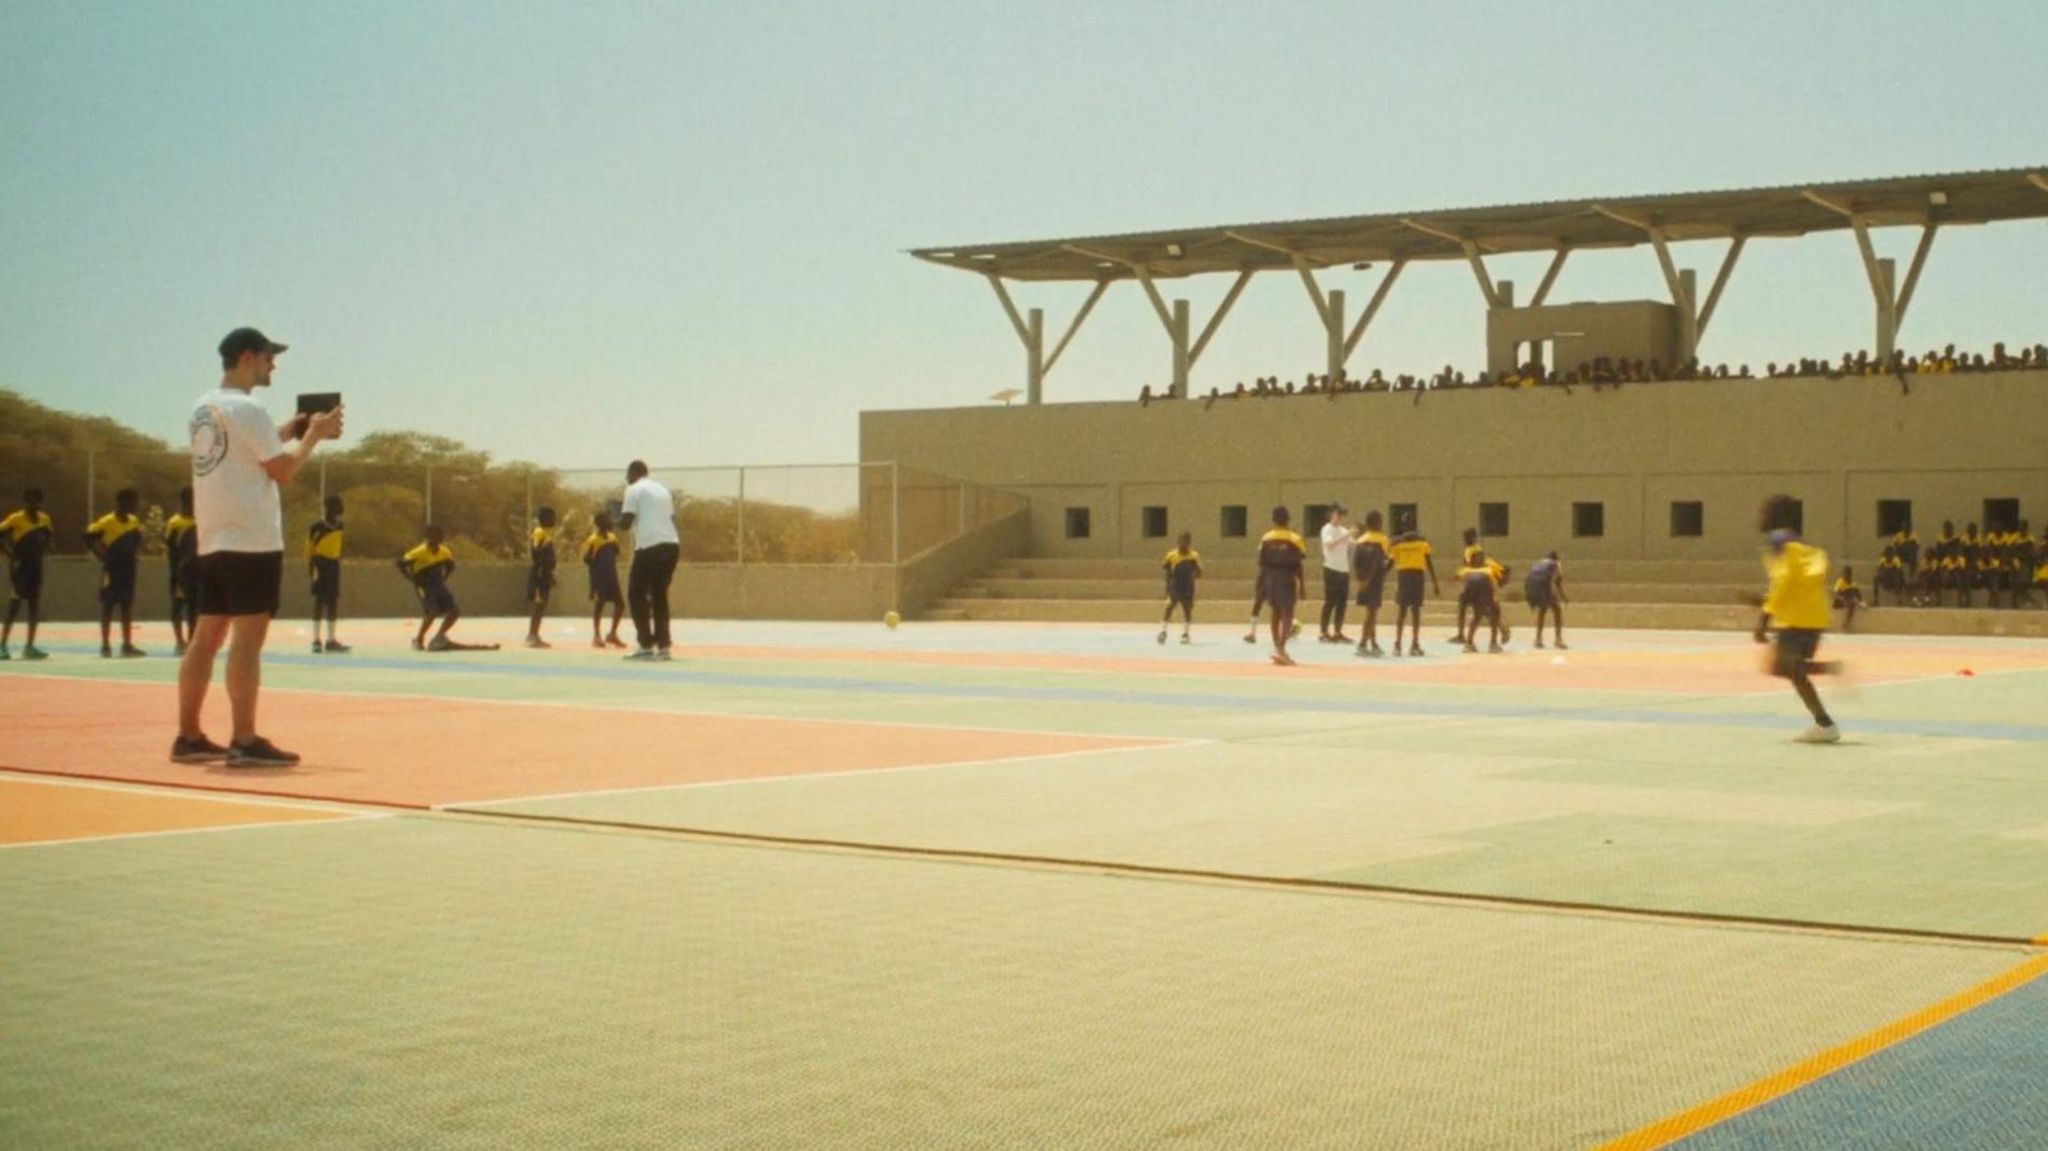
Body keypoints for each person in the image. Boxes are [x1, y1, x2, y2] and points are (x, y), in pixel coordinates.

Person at [177, 327, 343, 767]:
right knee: (247, 640)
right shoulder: (249, 408)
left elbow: (241, 452)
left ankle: (189, 735)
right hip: (250, 541)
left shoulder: (203, 408)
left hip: (213, 538)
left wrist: (288, 428)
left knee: (205, 638)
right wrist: (314, 436)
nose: (274, 364)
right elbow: (282, 470)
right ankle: (244, 739)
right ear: (249, 356)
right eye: (269, 356)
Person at [1751, 494, 1842, 743]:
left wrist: (1763, 619)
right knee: (1792, 670)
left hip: (1796, 618)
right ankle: (1824, 723)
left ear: (1774, 517)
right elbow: (1798, 581)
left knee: (1783, 667)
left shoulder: (1779, 542)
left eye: (1764, 512)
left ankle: (1826, 709)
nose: (1759, 517)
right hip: (1814, 615)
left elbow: (1783, 581)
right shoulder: (1799, 544)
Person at [397, 525, 495, 651]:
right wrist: (412, 579)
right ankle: (418, 639)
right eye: (433, 536)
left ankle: (438, 636)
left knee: (454, 611)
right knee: (432, 611)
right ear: (427, 537)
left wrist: (444, 578)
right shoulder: (418, 552)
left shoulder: (445, 551)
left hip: (439, 585)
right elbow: (400, 564)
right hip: (424, 587)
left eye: (439, 536)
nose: (436, 538)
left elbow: (450, 566)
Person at [619, 460, 680, 661]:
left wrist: (614, 518)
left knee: (636, 594)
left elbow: (625, 523)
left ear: (634, 473)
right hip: (671, 545)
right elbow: (669, 517)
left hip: (650, 547)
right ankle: (664, 647)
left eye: (627, 475)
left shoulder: (634, 489)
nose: (626, 479)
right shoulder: (662, 489)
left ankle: (645, 644)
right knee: (659, 595)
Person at [87, 488, 147, 658]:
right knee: (108, 606)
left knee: (127, 606)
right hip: (112, 571)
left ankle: (127, 645)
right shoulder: (107, 521)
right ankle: (105, 645)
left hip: (128, 570)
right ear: (122, 502)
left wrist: (134, 553)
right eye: (132, 501)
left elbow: (136, 539)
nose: (135, 505)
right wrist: (103, 555)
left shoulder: (133, 521)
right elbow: (89, 536)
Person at [0, 488, 54, 661]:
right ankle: (2, 645)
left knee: (34, 606)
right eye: (30, 500)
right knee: (14, 607)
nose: (34, 504)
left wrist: (45, 548)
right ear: (25, 501)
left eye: (37, 501)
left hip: (35, 568)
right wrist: (9, 554)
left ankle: (29, 646)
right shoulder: (16, 519)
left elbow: (48, 537)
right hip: (20, 568)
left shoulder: (45, 520)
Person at [1256, 506, 1307, 666]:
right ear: (1288, 519)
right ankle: (1281, 649)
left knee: (1275, 611)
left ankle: (1277, 647)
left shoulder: (1266, 538)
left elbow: (1261, 562)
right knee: (1287, 613)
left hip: (1270, 578)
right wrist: (1302, 585)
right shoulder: (1295, 538)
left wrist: (1262, 584)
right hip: (1287, 577)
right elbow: (1299, 563)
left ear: (1273, 520)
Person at [1387, 523, 1440, 657]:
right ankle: (1406, 644)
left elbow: (1390, 564)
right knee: (1410, 611)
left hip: (1407, 576)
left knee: (1406, 611)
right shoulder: (1420, 542)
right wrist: (1435, 583)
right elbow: (1429, 563)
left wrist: (1381, 576)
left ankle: (1405, 644)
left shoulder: (1401, 543)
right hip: (1413, 576)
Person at [307, 495, 350, 653]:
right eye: (338, 506)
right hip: (320, 563)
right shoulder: (317, 526)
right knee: (319, 600)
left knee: (333, 601)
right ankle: (316, 640)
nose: (341, 509)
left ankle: (331, 640)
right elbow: (310, 547)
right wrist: (311, 566)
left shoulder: (340, 526)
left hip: (333, 564)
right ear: (329, 507)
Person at [583, 511, 627, 648]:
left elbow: (616, 552)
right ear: (598, 524)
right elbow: (586, 558)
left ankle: (612, 634)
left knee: (620, 604)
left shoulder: (612, 538)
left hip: (611, 576)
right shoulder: (592, 540)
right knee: (599, 604)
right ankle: (596, 635)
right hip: (598, 577)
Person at [164, 487, 200, 655]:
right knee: (178, 606)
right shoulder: (175, 522)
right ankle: (179, 641)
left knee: (194, 608)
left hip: (197, 573)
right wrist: (178, 569)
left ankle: (193, 641)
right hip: (180, 573)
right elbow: (171, 547)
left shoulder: (200, 520)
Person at [1351, 510, 1391, 657]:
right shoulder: (1383, 540)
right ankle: (1362, 643)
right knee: (1371, 613)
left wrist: (1360, 580)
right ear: (1379, 523)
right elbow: (1379, 562)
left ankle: (1373, 643)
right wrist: (1369, 579)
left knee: (1371, 613)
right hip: (1374, 582)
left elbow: (1356, 562)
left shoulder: (1360, 540)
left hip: (1363, 581)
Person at [1456, 550, 1512, 653]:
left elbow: (1457, 579)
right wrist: (1505, 577)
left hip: (1471, 591)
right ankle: (1493, 643)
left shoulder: (1467, 569)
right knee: (1493, 613)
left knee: (1479, 614)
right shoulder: (1487, 568)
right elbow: (1501, 581)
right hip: (1483, 589)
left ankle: (1469, 643)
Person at [1317, 504, 1353, 643]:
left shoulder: (1343, 530)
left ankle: (1338, 631)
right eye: (1338, 514)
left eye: (1341, 515)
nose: (1340, 517)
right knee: (1330, 601)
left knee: (1342, 603)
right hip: (1331, 569)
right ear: (1331, 514)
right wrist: (1347, 535)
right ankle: (1323, 632)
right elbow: (1330, 545)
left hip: (1344, 570)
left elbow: (1352, 543)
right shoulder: (1327, 529)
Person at [1158, 530, 1201, 645]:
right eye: (1181, 541)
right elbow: (1166, 569)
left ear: (1189, 543)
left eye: (1186, 541)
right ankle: (1163, 631)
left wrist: (1195, 573)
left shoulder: (1193, 556)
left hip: (1187, 586)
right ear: (1178, 542)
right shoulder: (1171, 555)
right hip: (1175, 585)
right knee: (1169, 607)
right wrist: (1168, 587)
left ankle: (1185, 634)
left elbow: (1199, 572)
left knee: (1187, 609)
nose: (1183, 544)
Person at [525, 506, 559, 648]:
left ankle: (535, 634)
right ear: (543, 518)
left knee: (542, 604)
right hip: (540, 575)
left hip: (544, 574)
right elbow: (536, 551)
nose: (553, 520)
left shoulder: (545, 534)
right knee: (539, 604)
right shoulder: (539, 532)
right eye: (551, 517)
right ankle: (532, 635)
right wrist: (543, 571)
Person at [1526, 550, 1568, 649]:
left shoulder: (1539, 562)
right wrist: (1563, 596)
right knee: (1557, 610)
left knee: (1542, 609)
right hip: (1543, 585)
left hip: (1530, 585)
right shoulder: (1556, 563)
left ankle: (1538, 639)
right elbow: (1558, 582)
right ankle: (1558, 639)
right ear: (1556, 558)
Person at [1451, 527, 1482, 645]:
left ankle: (1502, 629)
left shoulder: (1475, 550)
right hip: (1470, 581)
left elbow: (1473, 566)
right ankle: (1460, 635)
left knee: (1478, 609)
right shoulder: (1469, 549)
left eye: (1466, 537)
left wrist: (1461, 574)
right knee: (1463, 608)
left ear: (1473, 537)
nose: (1464, 540)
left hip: (1474, 582)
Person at [1833, 566, 1862, 631]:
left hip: (1849, 601)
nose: (1845, 575)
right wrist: (1843, 599)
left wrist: (1860, 602)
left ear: (1850, 574)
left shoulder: (1854, 583)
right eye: (1844, 573)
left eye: (1846, 573)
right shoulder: (1840, 581)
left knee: (1852, 602)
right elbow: (1836, 594)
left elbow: (1859, 595)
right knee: (1850, 601)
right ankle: (1846, 623)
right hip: (1840, 601)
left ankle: (1846, 622)